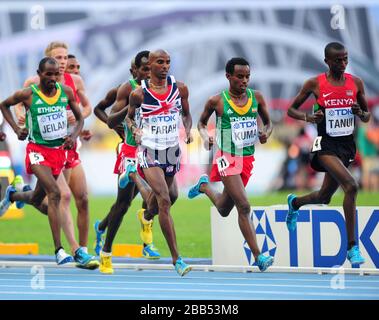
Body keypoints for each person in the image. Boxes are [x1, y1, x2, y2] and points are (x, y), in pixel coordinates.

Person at [0, 57, 98, 268]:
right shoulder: (28, 94)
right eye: (48, 74)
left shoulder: (66, 93)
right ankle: (59, 250)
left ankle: (14, 194)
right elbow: (4, 105)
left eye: (56, 75)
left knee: (38, 198)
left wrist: (74, 135)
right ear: (40, 73)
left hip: (57, 152)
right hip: (37, 151)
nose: (53, 78)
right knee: (55, 193)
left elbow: (80, 119)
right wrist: (17, 130)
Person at [286, 42, 371, 266]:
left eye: (345, 59)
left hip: (346, 147)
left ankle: (294, 204)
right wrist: (308, 118)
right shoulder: (315, 83)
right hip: (324, 145)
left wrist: (359, 112)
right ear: (327, 61)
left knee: (324, 197)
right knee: (351, 185)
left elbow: (366, 116)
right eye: (337, 60)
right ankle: (352, 247)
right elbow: (291, 109)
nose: (342, 64)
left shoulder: (356, 83)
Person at [187, 57, 274, 272]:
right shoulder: (217, 101)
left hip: (246, 158)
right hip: (226, 157)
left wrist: (265, 133)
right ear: (228, 76)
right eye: (240, 76)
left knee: (225, 209)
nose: (244, 81)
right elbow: (200, 122)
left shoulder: (257, 98)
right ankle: (258, 256)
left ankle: (204, 186)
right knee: (243, 205)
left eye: (247, 77)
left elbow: (269, 123)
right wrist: (206, 135)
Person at [16, 41, 93, 255]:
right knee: (62, 196)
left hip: (69, 144)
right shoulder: (34, 82)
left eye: (65, 57)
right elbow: (19, 103)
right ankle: (74, 249)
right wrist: (20, 117)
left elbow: (87, 108)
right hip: (44, 147)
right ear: (47, 61)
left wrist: (78, 120)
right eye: (58, 58)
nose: (63, 62)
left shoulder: (74, 82)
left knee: (82, 198)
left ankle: (84, 247)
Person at [93, 51, 163, 274]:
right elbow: (106, 115)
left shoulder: (162, 88)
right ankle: (106, 253)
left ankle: (105, 227)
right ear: (135, 70)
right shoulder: (125, 89)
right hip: (131, 150)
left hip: (151, 150)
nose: (147, 73)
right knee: (123, 204)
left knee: (158, 194)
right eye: (143, 69)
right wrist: (130, 112)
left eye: (149, 69)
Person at [127, 49, 193, 276]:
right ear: (151, 65)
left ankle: (145, 215)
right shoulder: (139, 94)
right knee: (164, 199)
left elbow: (186, 114)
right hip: (149, 149)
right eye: (160, 62)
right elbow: (128, 117)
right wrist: (135, 128)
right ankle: (177, 259)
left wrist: (188, 129)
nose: (165, 66)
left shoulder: (180, 88)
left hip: (171, 149)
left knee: (172, 196)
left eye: (168, 62)